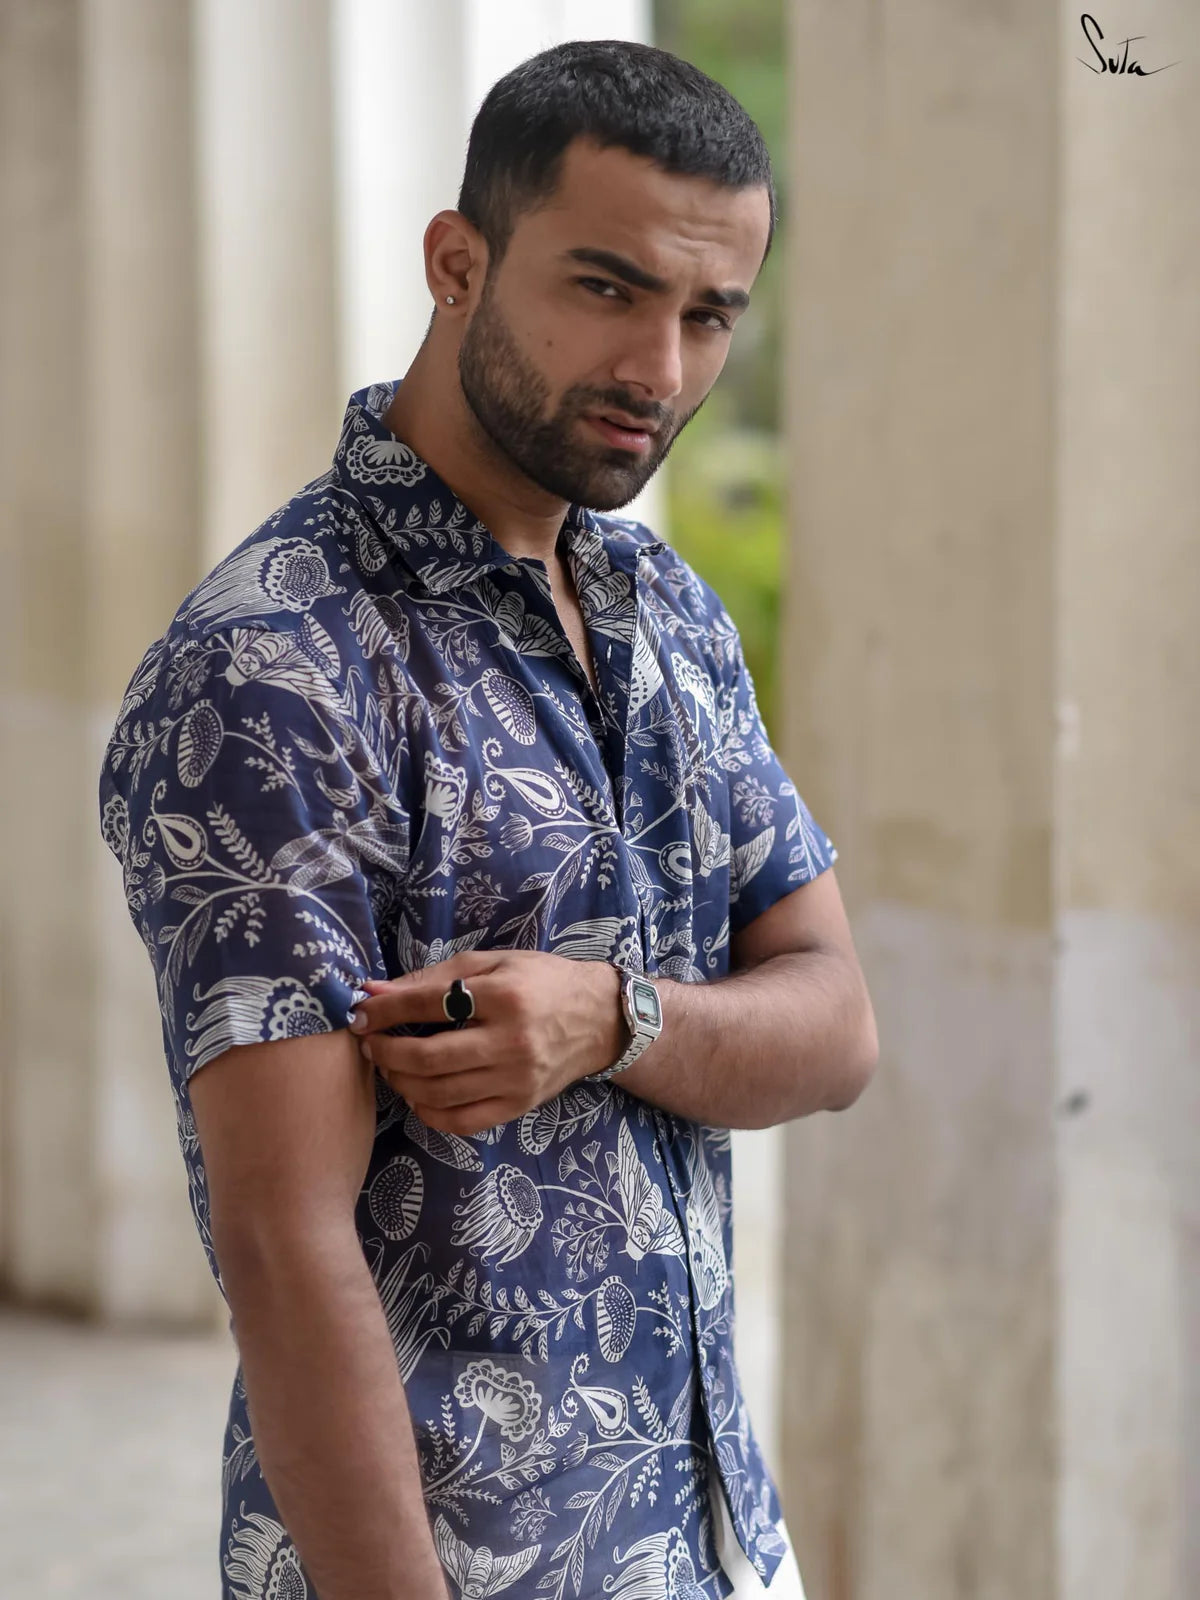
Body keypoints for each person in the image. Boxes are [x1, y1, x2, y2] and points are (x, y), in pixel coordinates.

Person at [99, 38, 877, 1600]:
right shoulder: (275, 663)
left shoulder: (667, 613)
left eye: (708, 312)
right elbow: (283, 1244)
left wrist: (614, 1016)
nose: (661, 368)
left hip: (715, 1546)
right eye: (608, 287)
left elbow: (837, 1029)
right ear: (458, 263)